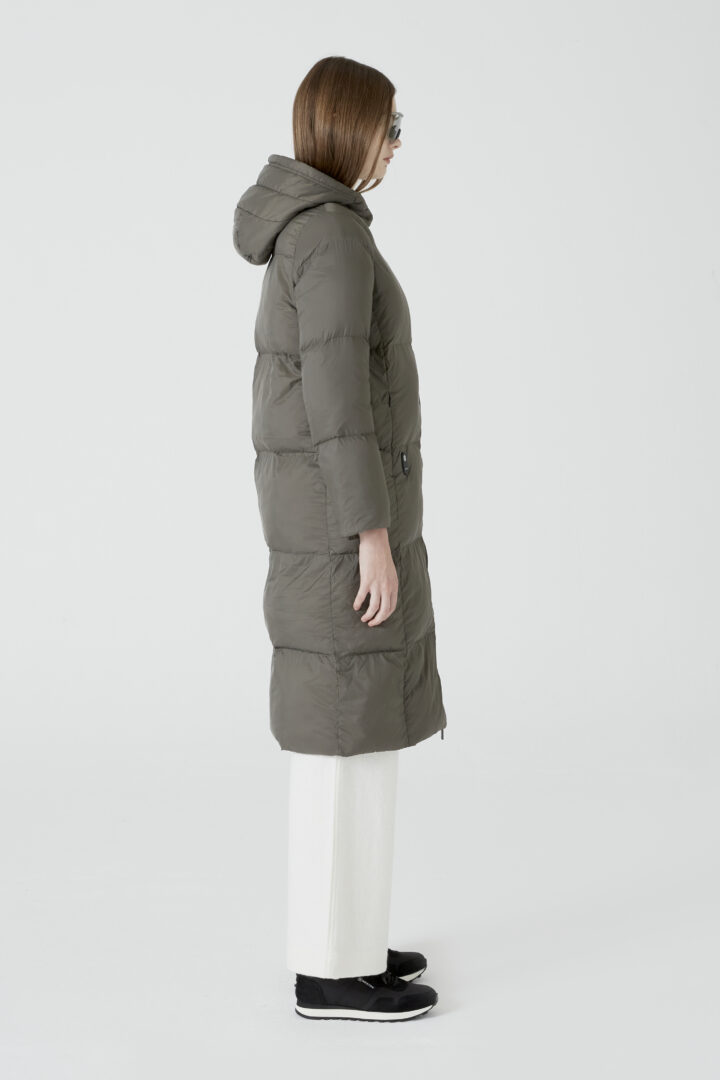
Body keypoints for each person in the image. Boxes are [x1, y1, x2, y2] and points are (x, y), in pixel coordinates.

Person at [232, 56, 447, 1022]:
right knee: (339, 746)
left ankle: (351, 942)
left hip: (323, 528)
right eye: (389, 126)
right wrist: (371, 533)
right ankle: (327, 971)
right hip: (336, 534)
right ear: (351, 128)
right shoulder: (331, 236)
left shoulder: (319, 229)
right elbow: (336, 403)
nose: (396, 144)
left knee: (355, 738)